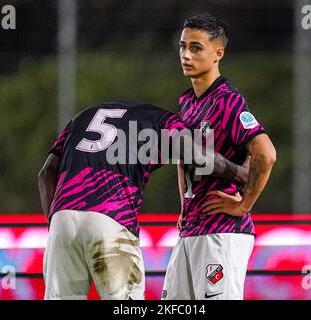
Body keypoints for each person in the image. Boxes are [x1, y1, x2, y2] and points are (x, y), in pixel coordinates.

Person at [38, 100, 250, 300]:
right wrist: (242, 174)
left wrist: (55, 221)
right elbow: (197, 155)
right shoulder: (165, 121)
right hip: (111, 215)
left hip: (61, 219)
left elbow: (46, 173)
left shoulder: (81, 118)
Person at [162, 14, 276, 300]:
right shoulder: (186, 101)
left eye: (196, 47)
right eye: (182, 46)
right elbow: (182, 157)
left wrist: (244, 205)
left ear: (218, 53)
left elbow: (266, 153)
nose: (186, 55)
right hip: (191, 229)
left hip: (221, 231)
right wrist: (183, 207)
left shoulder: (228, 100)